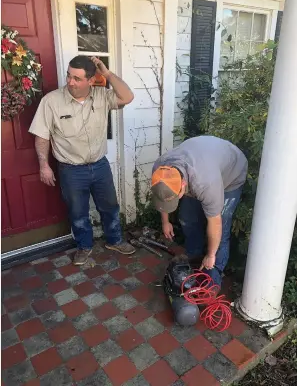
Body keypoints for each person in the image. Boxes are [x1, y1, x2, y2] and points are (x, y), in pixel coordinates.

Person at [29, 55, 135, 265]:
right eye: (69, 76)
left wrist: (107, 74)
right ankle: (84, 246)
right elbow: (42, 135)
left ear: (91, 80)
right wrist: (44, 165)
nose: (70, 82)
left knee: (110, 207)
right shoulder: (51, 101)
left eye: (77, 78)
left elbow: (127, 97)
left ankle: (114, 240)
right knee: (78, 212)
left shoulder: (102, 96)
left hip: (100, 165)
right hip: (71, 170)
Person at [151, 136, 248, 287]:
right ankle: (194, 255)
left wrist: (210, 255)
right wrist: (165, 221)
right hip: (203, 161)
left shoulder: (205, 184)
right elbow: (162, 196)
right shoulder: (160, 170)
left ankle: (213, 278)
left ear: (183, 185)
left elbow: (215, 222)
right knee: (187, 217)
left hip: (231, 174)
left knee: (222, 226)